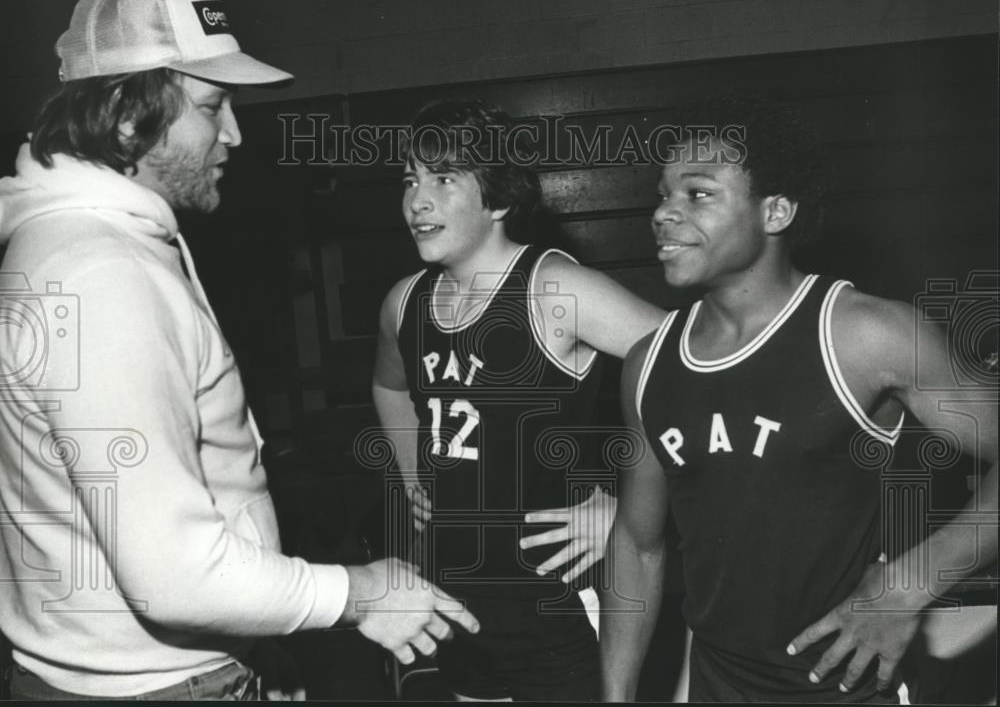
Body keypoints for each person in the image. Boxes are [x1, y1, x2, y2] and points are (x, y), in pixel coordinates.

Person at [0, 0, 477, 701]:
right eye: (212, 105)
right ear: (129, 116)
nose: (236, 133)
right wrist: (359, 593)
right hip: (156, 685)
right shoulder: (100, 275)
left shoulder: (94, 242)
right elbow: (172, 574)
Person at [600, 96, 997, 702]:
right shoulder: (648, 365)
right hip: (718, 686)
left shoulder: (862, 334)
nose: (663, 214)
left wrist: (909, 585)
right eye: (662, 194)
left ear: (776, 212)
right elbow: (637, 544)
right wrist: (615, 697)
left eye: (697, 193)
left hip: (847, 684)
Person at [372, 99, 666, 700]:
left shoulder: (555, 289)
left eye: (444, 178)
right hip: (459, 601)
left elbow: (707, 370)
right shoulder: (404, 302)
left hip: (558, 602)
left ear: (499, 200)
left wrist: (627, 512)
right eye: (410, 180)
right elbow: (388, 385)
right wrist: (411, 474)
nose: (417, 200)